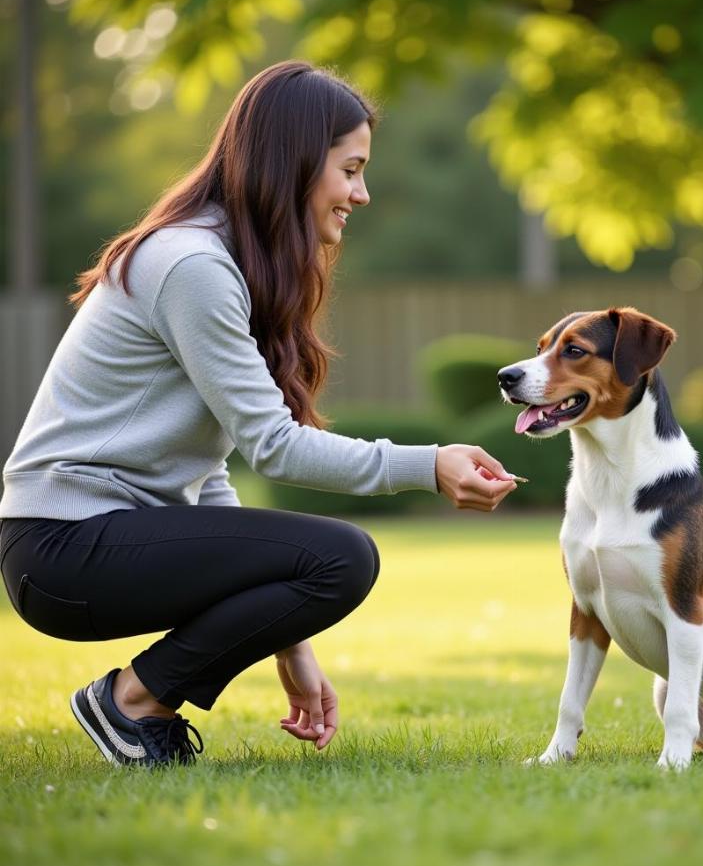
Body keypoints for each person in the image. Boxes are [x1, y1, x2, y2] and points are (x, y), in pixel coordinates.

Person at [0, 61, 518, 768]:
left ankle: (135, 704)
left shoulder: (224, 261)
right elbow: (275, 449)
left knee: (332, 560)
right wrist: (428, 465)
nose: (362, 195)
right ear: (297, 161)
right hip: (62, 547)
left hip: (89, 542)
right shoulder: (191, 265)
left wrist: (291, 646)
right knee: (347, 556)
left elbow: (210, 474)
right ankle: (130, 703)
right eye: (351, 169)